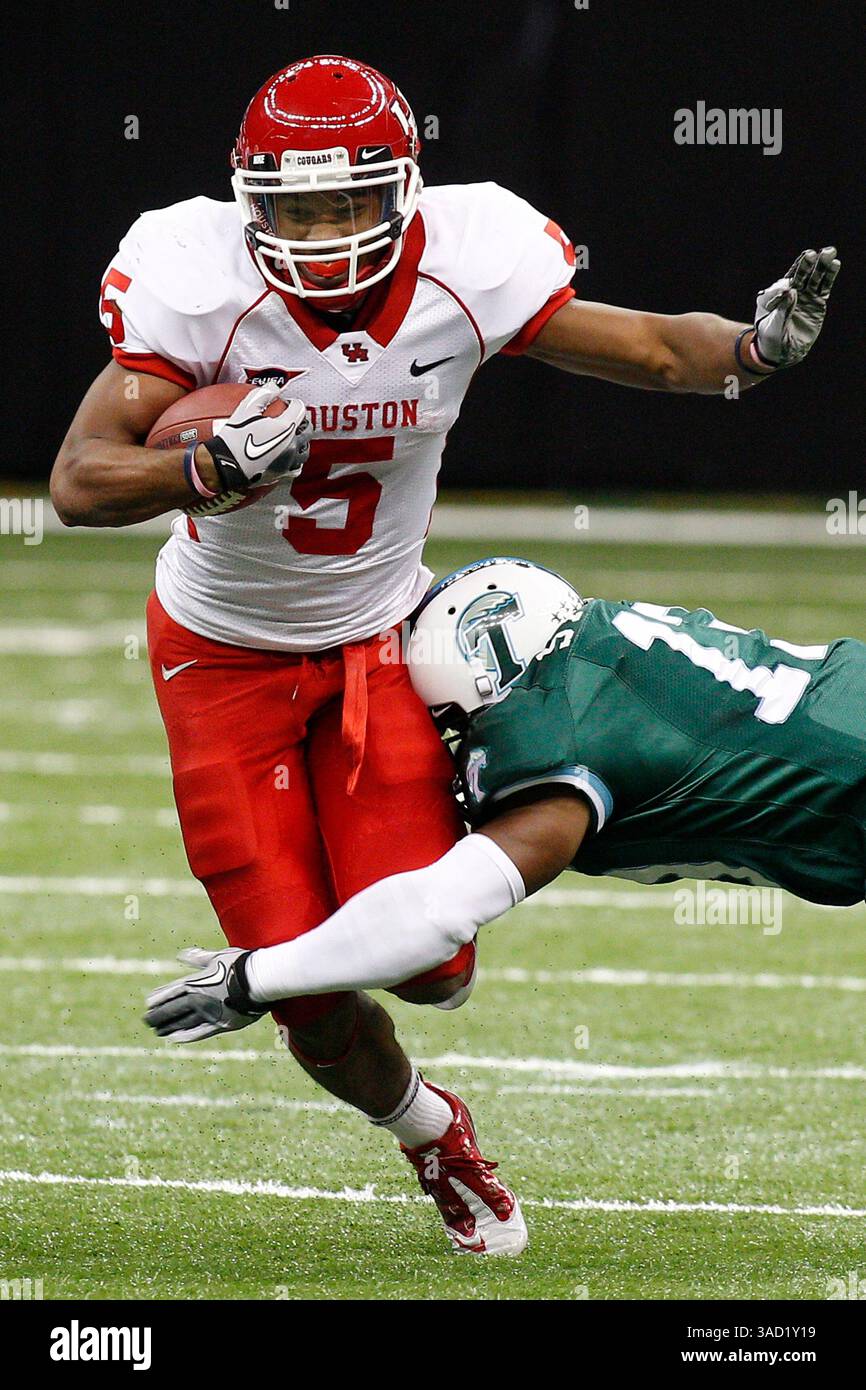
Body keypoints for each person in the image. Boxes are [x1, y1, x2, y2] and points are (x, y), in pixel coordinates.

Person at [53, 51, 837, 1258]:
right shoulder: (194, 284)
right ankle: (432, 1134)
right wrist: (196, 469)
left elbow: (649, 350)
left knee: (432, 962)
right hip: (220, 657)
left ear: (404, 189)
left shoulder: (466, 264)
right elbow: (78, 482)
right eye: (293, 206)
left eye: (343, 201)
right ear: (245, 201)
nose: (318, 232)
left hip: (381, 636)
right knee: (307, 989)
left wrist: (749, 352)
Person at [147, 555, 866, 1026]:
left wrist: (256, 977)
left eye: (456, 729)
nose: (462, 752)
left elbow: (432, 921)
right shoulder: (599, 634)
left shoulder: (560, 739)